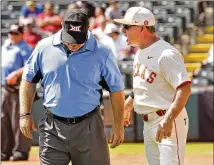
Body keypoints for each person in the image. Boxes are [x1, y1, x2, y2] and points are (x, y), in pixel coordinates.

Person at [19, 9, 125, 165]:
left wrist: (118, 124)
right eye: (70, 39)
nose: (74, 44)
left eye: (79, 40)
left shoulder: (102, 52)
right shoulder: (43, 47)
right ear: (61, 26)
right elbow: (28, 81)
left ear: (88, 29)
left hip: (88, 127)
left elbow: (116, 90)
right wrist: (25, 114)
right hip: (52, 126)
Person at [114, 7, 192, 165]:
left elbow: (184, 89)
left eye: (127, 26)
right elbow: (147, 86)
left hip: (167, 119)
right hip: (148, 122)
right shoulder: (140, 52)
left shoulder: (166, 54)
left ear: (143, 27)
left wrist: (169, 118)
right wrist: (130, 103)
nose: (123, 30)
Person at [1, 24, 33, 161]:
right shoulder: (5, 46)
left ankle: (21, 151)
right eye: (10, 32)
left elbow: (29, 65)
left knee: (18, 120)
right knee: (3, 120)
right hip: (3, 87)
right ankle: (5, 150)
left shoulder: (25, 48)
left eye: (15, 32)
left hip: (18, 89)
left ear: (21, 34)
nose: (12, 35)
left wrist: (16, 73)